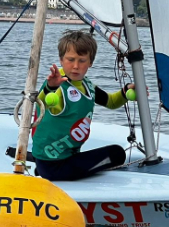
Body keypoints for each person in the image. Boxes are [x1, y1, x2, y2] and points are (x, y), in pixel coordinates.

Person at [32, 29, 134, 181]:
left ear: (90, 62)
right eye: (70, 59)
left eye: (82, 60)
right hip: (53, 165)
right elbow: (43, 103)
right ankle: (46, 171)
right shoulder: (57, 86)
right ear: (61, 60)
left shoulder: (87, 85)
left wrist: (127, 91)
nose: (75, 66)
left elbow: (111, 102)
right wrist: (50, 87)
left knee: (115, 152)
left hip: (68, 156)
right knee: (117, 154)